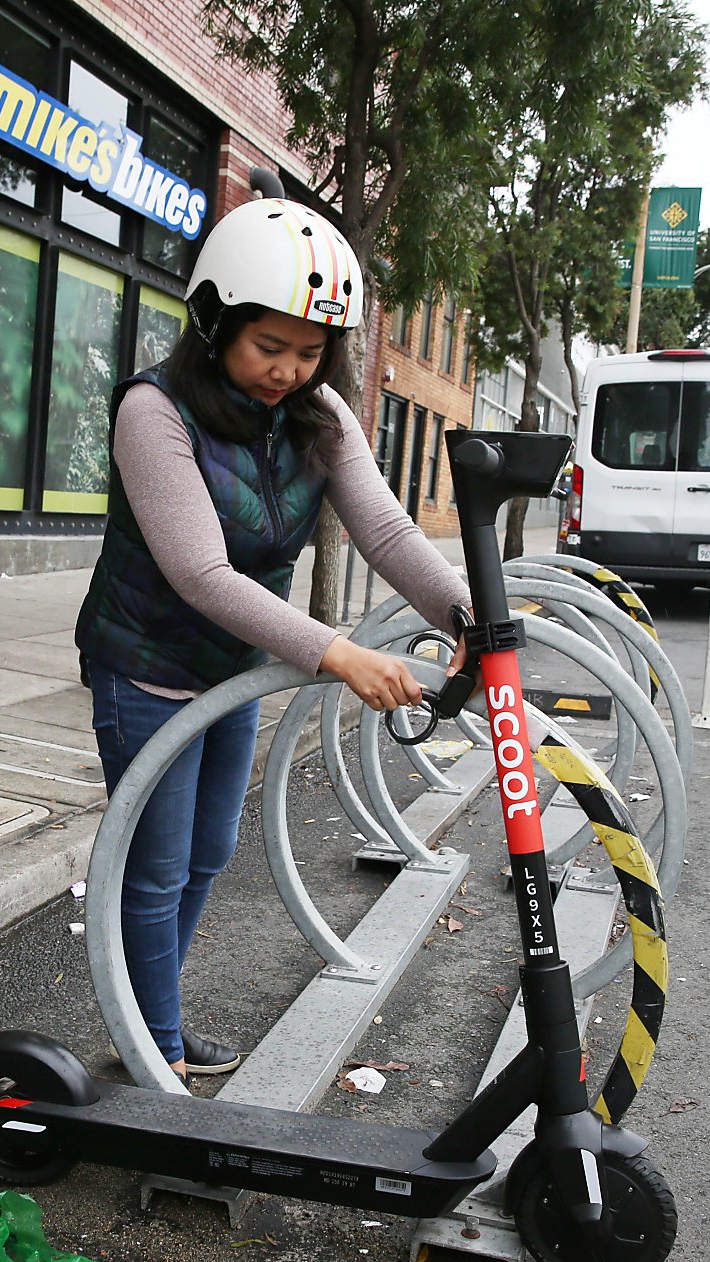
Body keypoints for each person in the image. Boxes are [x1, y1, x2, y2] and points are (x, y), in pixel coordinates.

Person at [75, 197, 473, 1080]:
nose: (289, 371)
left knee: (210, 851)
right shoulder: (155, 409)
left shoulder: (320, 415)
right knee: (155, 866)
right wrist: (337, 654)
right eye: (270, 348)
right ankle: (153, 1044)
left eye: (309, 352)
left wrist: (465, 615)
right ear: (215, 321)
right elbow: (201, 574)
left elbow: (388, 530)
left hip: (233, 667)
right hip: (145, 663)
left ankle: (148, 1022)